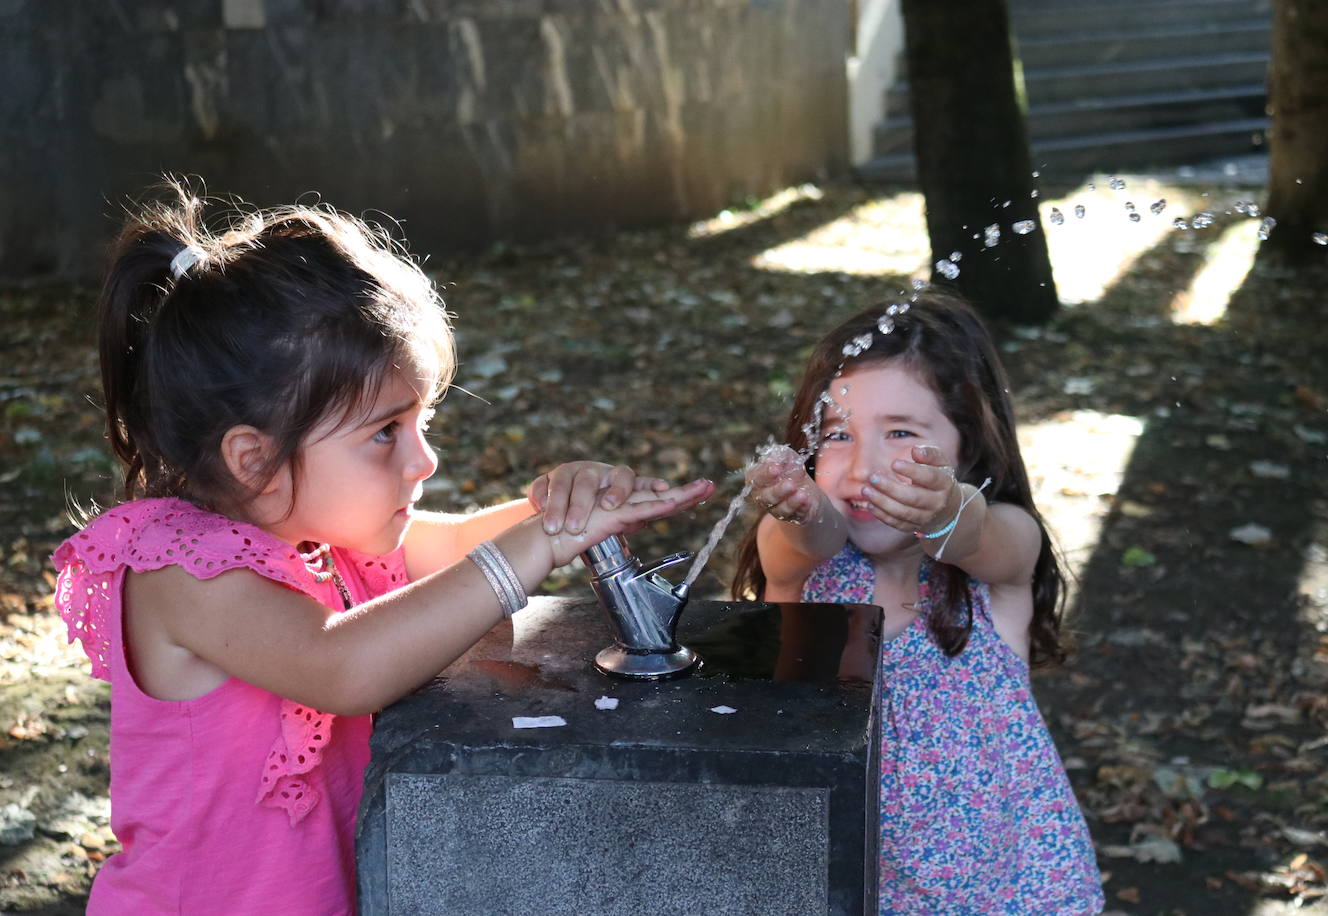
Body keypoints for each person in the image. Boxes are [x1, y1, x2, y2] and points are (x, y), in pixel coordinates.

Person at [51, 183, 715, 915]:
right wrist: (539, 541)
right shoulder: (177, 569)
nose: (424, 460)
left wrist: (564, 509)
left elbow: (458, 548)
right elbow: (340, 666)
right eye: (385, 433)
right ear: (252, 457)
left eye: (422, 421)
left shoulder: (324, 543)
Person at [733, 290, 1102, 914]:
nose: (863, 470)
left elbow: (977, 532)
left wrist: (943, 510)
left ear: (969, 447)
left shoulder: (997, 569)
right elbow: (808, 531)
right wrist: (798, 504)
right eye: (838, 436)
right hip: (841, 890)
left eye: (901, 433)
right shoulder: (805, 575)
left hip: (1003, 896)